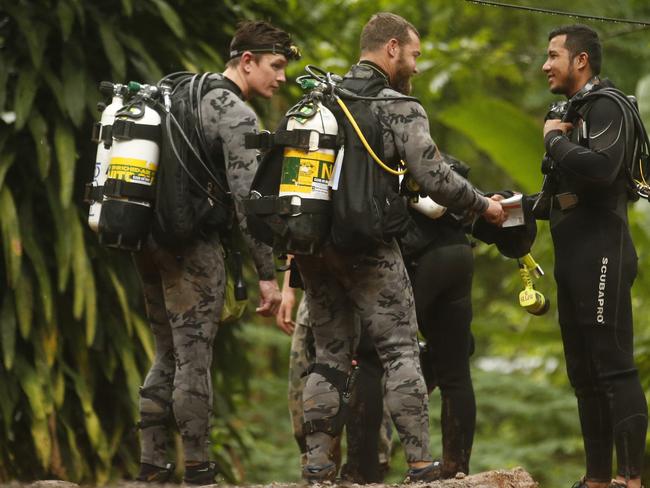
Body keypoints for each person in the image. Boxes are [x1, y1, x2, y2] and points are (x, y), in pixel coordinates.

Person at [293, 12, 506, 483]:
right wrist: (481, 207)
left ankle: (317, 468)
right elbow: (433, 177)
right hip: (367, 246)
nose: (417, 65)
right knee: (400, 350)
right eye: (414, 54)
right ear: (391, 48)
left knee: (329, 356)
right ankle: (419, 463)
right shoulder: (397, 106)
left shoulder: (317, 99)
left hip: (312, 246)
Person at [133, 21, 296, 484]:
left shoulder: (181, 93)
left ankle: (152, 466)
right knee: (193, 358)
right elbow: (252, 203)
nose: (281, 77)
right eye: (276, 65)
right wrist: (269, 274)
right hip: (192, 248)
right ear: (247, 61)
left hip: (149, 242)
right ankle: (200, 472)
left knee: (165, 354)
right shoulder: (235, 112)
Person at [540, 24, 647, 488]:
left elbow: (603, 170)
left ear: (580, 60)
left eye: (553, 55)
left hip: (604, 247)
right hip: (571, 252)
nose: (545, 65)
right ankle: (598, 479)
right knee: (583, 374)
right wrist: (494, 207)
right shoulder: (570, 111)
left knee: (613, 366)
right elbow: (553, 198)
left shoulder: (609, 105)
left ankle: (630, 478)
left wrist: (553, 140)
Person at [400, 155, 477, 479]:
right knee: (455, 372)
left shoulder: (383, 158)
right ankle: (455, 467)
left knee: (378, 356)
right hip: (459, 254)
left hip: (423, 260)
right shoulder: (439, 163)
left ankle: (361, 468)